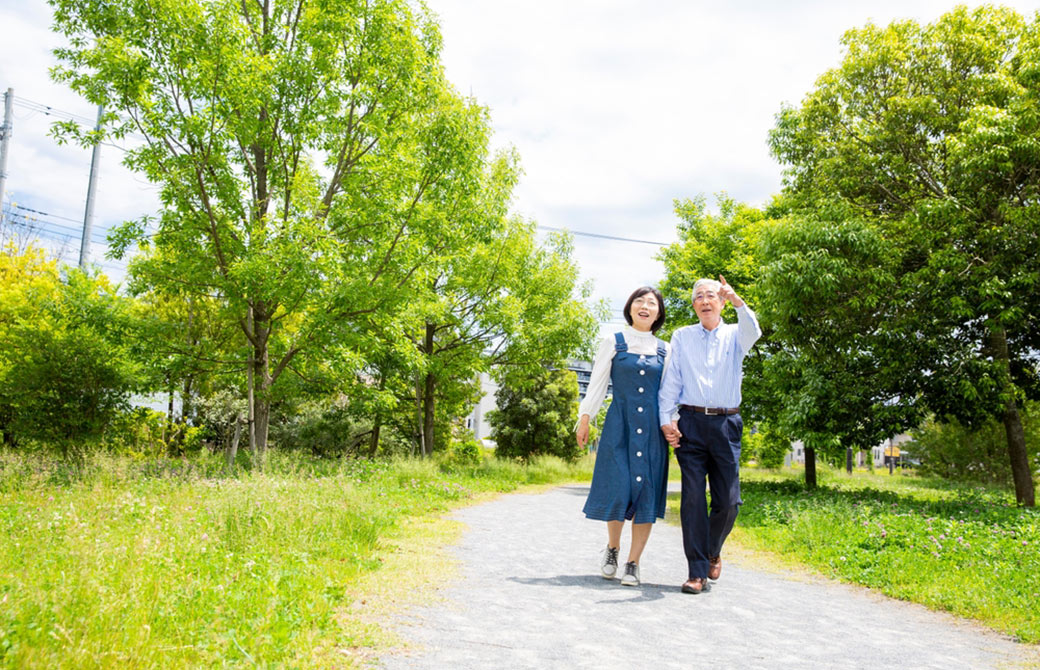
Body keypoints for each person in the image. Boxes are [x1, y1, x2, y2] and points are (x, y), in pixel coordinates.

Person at [658, 276, 761, 594]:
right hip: (690, 422)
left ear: (721, 302)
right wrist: (666, 419)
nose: (705, 300)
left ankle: (713, 549)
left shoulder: (735, 334)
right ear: (694, 305)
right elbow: (672, 380)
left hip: (726, 425)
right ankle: (697, 571)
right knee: (691, 499)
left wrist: (738, 301)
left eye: (711, 295)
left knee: (729, 502)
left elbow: (753, 331)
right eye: (699, 296)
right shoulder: (682, 336)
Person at [577, 286, 670, 587]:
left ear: (658, 313)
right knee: (618, 487)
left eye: (651, 303)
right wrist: (585, 417)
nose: (645, 306)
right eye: (639, 301)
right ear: (630, 307)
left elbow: (670, 394)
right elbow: (598, 383)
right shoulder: (613, 342)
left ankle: (633, 563)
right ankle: (613, 549)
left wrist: (673, 423)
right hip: (619, 426)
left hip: (653, 431)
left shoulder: (665, 349)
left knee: (646, 492)